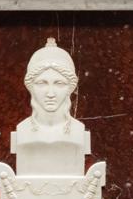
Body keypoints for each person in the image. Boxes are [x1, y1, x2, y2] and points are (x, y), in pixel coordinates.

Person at [13, 38, 90, 176]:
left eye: (59, 83)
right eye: (42, 83)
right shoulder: (22, 130)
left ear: (70, 88)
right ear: (31, 87)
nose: (50, 93)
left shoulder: (78, 131)